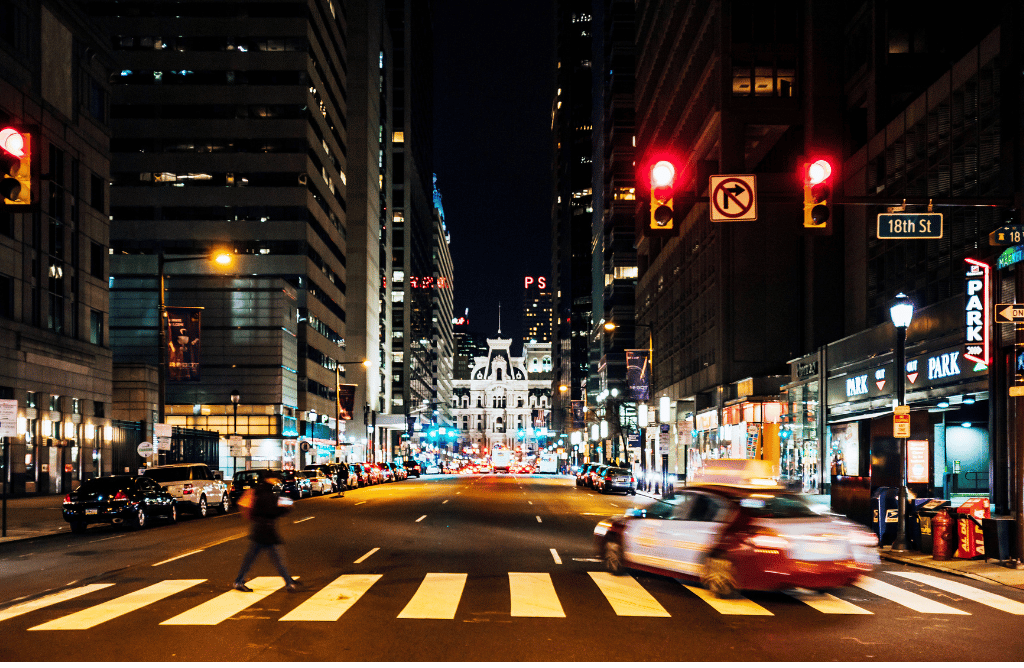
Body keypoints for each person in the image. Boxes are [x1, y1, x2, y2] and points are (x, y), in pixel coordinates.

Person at [233, 475, 301, 592]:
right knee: (277, 558)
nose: (276, 481)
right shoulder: (266, 495)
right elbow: (273, 510)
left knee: (253, 558)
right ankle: (289, 583)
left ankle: (239, 581)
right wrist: (287, 507)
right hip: (265, 531)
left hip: (260, 529)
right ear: (268, 480)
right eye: (274, 479)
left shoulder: (261, 492)